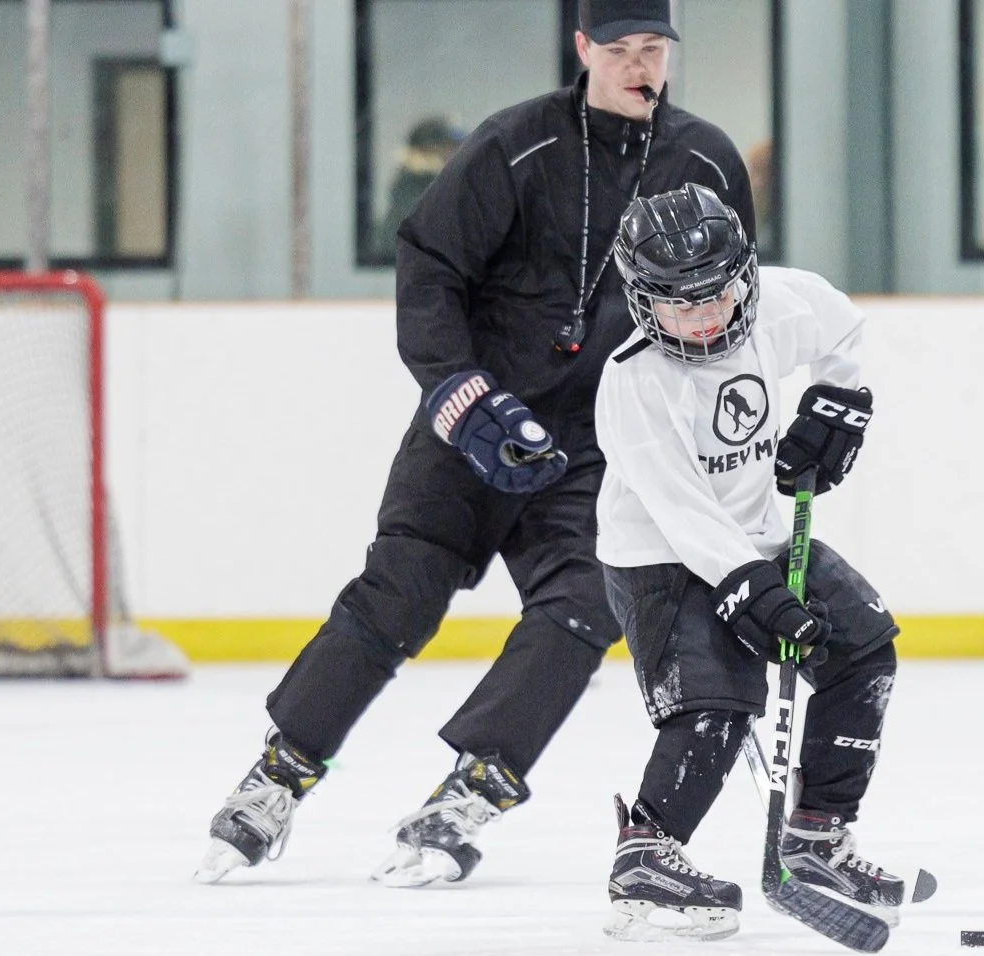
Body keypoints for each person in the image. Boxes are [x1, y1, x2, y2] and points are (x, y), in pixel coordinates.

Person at [194, 0, 756, 887]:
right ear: (583, 48)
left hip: (601, 447)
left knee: (584, 608)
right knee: (396, 597)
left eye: (654, 49)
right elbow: (429, 266)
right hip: (475, 419)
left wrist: (713, 431)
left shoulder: (705, 160)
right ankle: (277, 775)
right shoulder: (514, 144)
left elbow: (731, 305)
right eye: (621, 49)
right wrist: (459, 395)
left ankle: (473, 790)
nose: (640, 67)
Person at [593, 184, 904, 941]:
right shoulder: (634, 381)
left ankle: (817, 835)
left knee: (863, 648)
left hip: (757, 535)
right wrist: (752, 592)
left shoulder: (779, 310)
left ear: (744, 276)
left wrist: (835, 404)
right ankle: (647, 854)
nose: (703, 316)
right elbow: (682, 513)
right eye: (677, 304)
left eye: (715, 294)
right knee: (717, 701)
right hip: (661, 557)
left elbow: (843, 325)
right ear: (642, 301)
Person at [370, 117, 464, 260]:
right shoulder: (424, 189)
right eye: (449, 148)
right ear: (430, 150)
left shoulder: (417, 186)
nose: (456, 154)